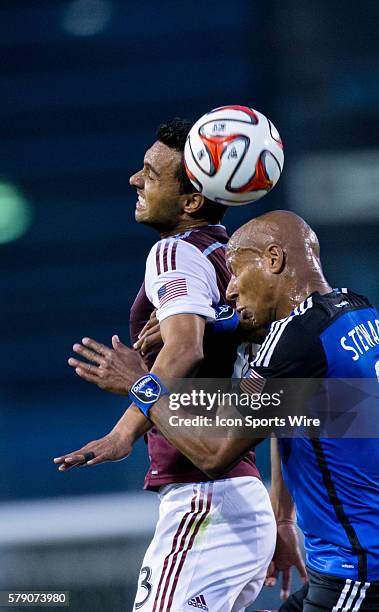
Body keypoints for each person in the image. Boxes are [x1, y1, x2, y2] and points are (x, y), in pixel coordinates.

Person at [71, 211, 379, 611]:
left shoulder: (296, 342)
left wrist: (140, 385)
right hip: (372, 553)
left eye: (236, 271)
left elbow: (216, 452)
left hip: (361, 574)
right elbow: (288, 414)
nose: (229, 290)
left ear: (273, 259)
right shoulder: (355, 310)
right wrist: (202, 320)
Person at [54, 119, 277, 612]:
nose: (135, 179)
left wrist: (123, 431)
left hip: (206, 501)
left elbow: (184, 349)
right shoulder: (232, 258)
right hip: (240, 498)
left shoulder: (173, 250)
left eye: (152, 175)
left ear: (191, 201)